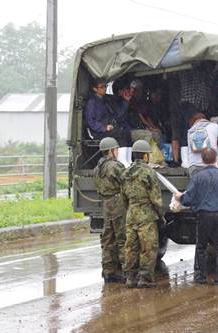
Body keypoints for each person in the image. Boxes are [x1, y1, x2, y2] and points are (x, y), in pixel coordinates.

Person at [175, 148, 218, 285]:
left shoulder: (197, 177)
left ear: (202, 160)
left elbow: (188, 200)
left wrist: (180, 197)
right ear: (216, 158)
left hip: (203, 215)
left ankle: (201, 277)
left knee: (201, 246)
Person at [121, 140, 163, 288]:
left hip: (131, 214)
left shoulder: (125, 172)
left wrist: (131, 209)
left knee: (130, 247)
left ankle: (130, 278)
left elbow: (123, 197)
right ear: (145, 156)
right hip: (146, 216)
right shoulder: (149, 172)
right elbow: (155, 198)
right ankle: (145, 278)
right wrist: (160, 213)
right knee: (148, 247)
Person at [93, 137, 127, 283]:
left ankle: (108, 271)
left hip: (106, 204)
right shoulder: (114, 166)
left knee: (107, 239)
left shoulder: (97, 168)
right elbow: (127, 180)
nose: (118, 152)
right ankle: (128, 271)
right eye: (116, 149)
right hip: (118, 203)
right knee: (122, 239)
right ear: (111, 150)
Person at [187, 108, 218, 176]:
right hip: (210, 166)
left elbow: (190, 151)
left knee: (198, 186)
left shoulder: (190, 131)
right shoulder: (214, 126)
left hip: (194, 166)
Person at [85, 78, 132, 148]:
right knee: (120, 134)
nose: (104, 88)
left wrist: (126, 101)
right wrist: (104, 127)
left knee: (126, 132)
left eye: (105, 86)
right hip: (97, 132)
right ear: (95, 89)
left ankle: (127, 156)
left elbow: (116, 114)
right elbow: (91, 121)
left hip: (109, 127)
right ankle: (122, 157)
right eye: (102, 87)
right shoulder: (92, 102)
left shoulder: (106, 100)